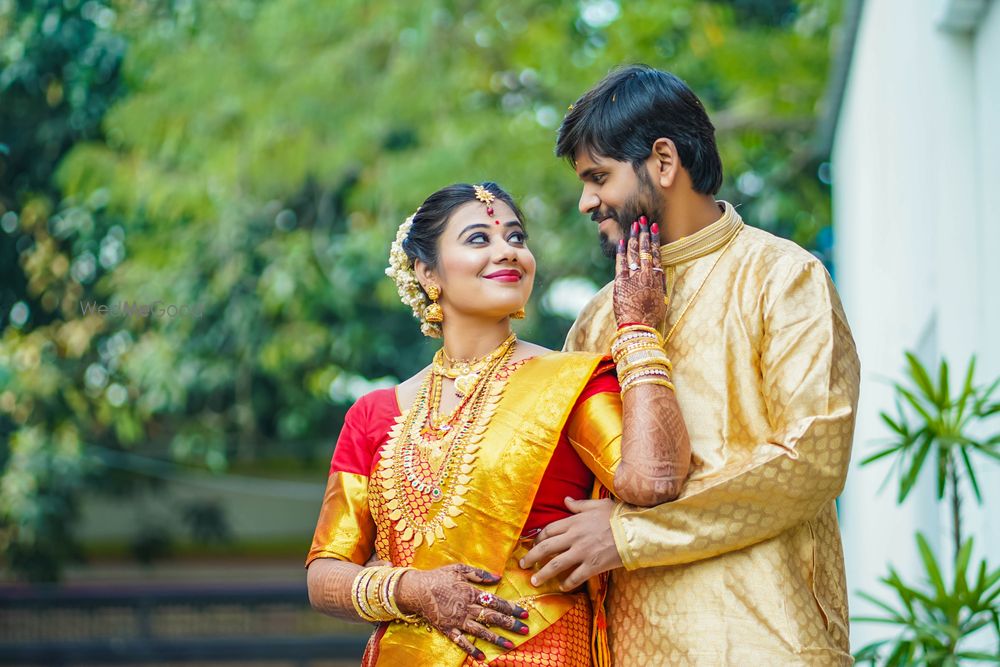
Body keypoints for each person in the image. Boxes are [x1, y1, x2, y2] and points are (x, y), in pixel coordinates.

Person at [520, 65, 861, 665]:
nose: (586, 202)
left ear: (663, 161)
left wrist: (631, 534)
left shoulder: (783, 278)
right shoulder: (597, 319)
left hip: (768, 642)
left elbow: (811, 459)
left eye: (599, 177)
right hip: (626, 647)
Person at [305, 181, 691, 666]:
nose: (508, 251)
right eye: (478, 239)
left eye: (516, 237)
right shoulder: (373, 413)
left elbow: (654, 480)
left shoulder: (571, 382)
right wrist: (411, 589)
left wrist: (638, 331)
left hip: (541, 650)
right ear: (427, 272)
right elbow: (324, 574)